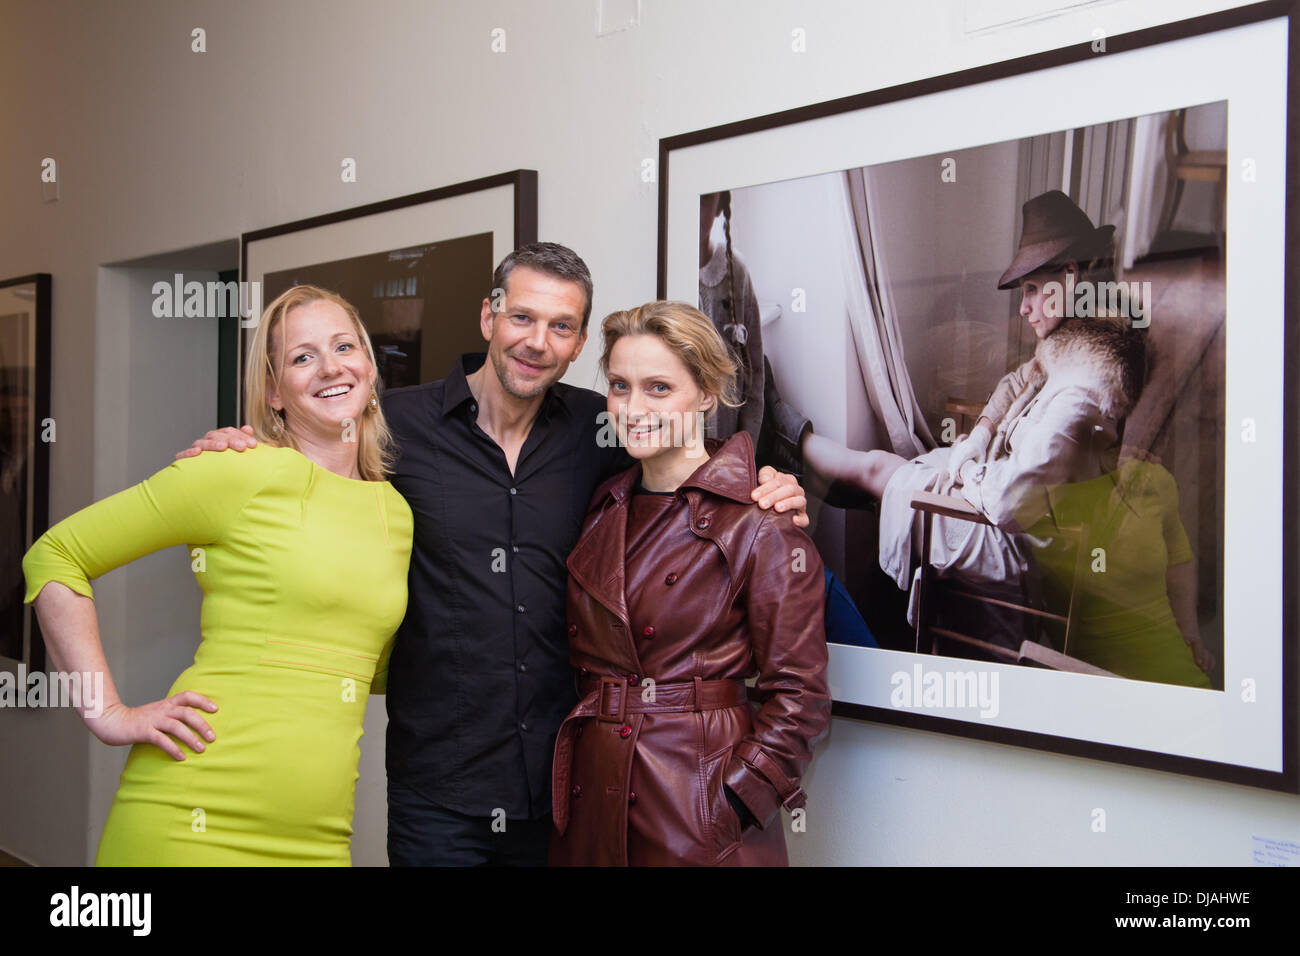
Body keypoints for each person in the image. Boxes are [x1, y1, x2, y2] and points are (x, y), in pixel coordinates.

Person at [179, 243, 810, 866]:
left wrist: (769, 484)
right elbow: (311, 451)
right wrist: (247, 442)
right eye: (522, 318)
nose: (538, 341)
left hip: (564, 794)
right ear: (489, 317)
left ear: (578, 339)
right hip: (439, 790)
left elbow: (682, 444)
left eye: (561, 326)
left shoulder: (605, 430)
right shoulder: (395, 425)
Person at [23, 285, 414, 864]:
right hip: (190, 818)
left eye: (344, 346)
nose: (331, 367)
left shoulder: (396, 512)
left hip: (320, 837)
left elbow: (361, 663)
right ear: (273, 391)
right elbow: (54, 556)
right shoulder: (234, 472)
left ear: (369, 367)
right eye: (302, 357)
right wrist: (107, 713)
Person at [550, 301, 830, 866]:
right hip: (592, 802)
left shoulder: (761, 518)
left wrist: (732, 804)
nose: (633, 407)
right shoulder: (602, 504)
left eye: (658, 387)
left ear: (706, 394)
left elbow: (801, 697)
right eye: (620, 386)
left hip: (696, 809)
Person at [803, 191, 1147, 644]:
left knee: (879, 471)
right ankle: (795, 450)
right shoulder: (1073, 346)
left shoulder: (1082, 392)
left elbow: (1006, 502)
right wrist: (981, 434)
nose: (1023, 308)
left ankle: (791, 443)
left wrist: (965, 467)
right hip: (1004, 492)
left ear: (1069, 277)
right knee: (882, 473)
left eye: (1030, 290)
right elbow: (1012, 385)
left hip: (1023, 547)